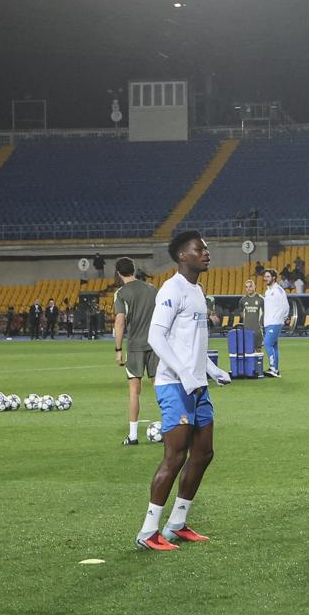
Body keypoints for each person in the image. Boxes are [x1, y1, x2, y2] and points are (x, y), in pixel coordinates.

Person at [136, 231, 232, 550]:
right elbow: (157, 337)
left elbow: (193, 343)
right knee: (175, 457)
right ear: (182, 256)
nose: (206, 253)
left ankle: (177, 523)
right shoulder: (172, 289)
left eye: (205, 248)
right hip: (174, 385)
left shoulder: (197, 290)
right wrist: (185, 374)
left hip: (196, 384)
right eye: (199, 249)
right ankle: (149, 531)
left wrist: (210, 368)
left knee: (204, 453)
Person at [112, 258, 159, 444]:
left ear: (118, 272)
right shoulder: (152, 289)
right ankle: (170, 431)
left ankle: (133, 436)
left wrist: (118, 349)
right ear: (134, 270)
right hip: (155, 345)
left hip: (135, 347)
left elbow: (120, 321)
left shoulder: (121, 293)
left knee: (134, 391)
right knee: (161, 389)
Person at [260, 268, 289, 378]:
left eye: (268, 276)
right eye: (265, 276)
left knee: (267, 343)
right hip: (268, 322)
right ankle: (276, 369)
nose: (265, 278)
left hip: (275, 321)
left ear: (274, 278)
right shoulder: (268, 291)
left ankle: (273, 368)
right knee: (274, 346)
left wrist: (284, 317)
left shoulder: (278, 290)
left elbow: (285, 305)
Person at [238, 278, 264, 362]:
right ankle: (250, 369)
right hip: (247, 330)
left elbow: (265, 312)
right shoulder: (243, 300)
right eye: (246, 287)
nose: (248, 288)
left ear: (254, 287)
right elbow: (241, 312)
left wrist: (262, 324)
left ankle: (259, 368)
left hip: (258, 329)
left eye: (250, 286)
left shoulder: (261, 299)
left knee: (258, 350)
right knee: (248, 350)